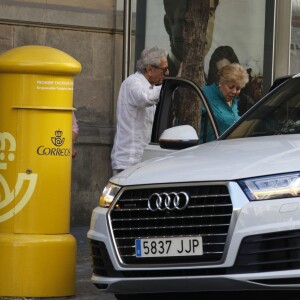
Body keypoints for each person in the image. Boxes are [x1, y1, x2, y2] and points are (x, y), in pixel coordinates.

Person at [111, 46, 169, 175]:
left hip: (142, 161)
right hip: (129, 162)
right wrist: (167, 87)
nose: (167, 73)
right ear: (149, 69)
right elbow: (146, 97)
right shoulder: (133, 83)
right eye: (164, 70)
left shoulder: (149, 86)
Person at [163, 0, 219, 77]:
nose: (198, 28)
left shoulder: (213, 84)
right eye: (186, 14)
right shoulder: (156, 83)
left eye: (208, 14)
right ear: (168, 25)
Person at [201, 63, 249, 142]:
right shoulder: (206, 94)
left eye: (238, 88)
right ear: (221, 82)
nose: (234, 91)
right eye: (231, 87)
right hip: (207, 150)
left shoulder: (234, 102)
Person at [206, 45, 255, 115]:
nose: (226, 78)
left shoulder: (246, 103)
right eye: (221, 73)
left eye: (228, 72)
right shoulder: (207, 101)